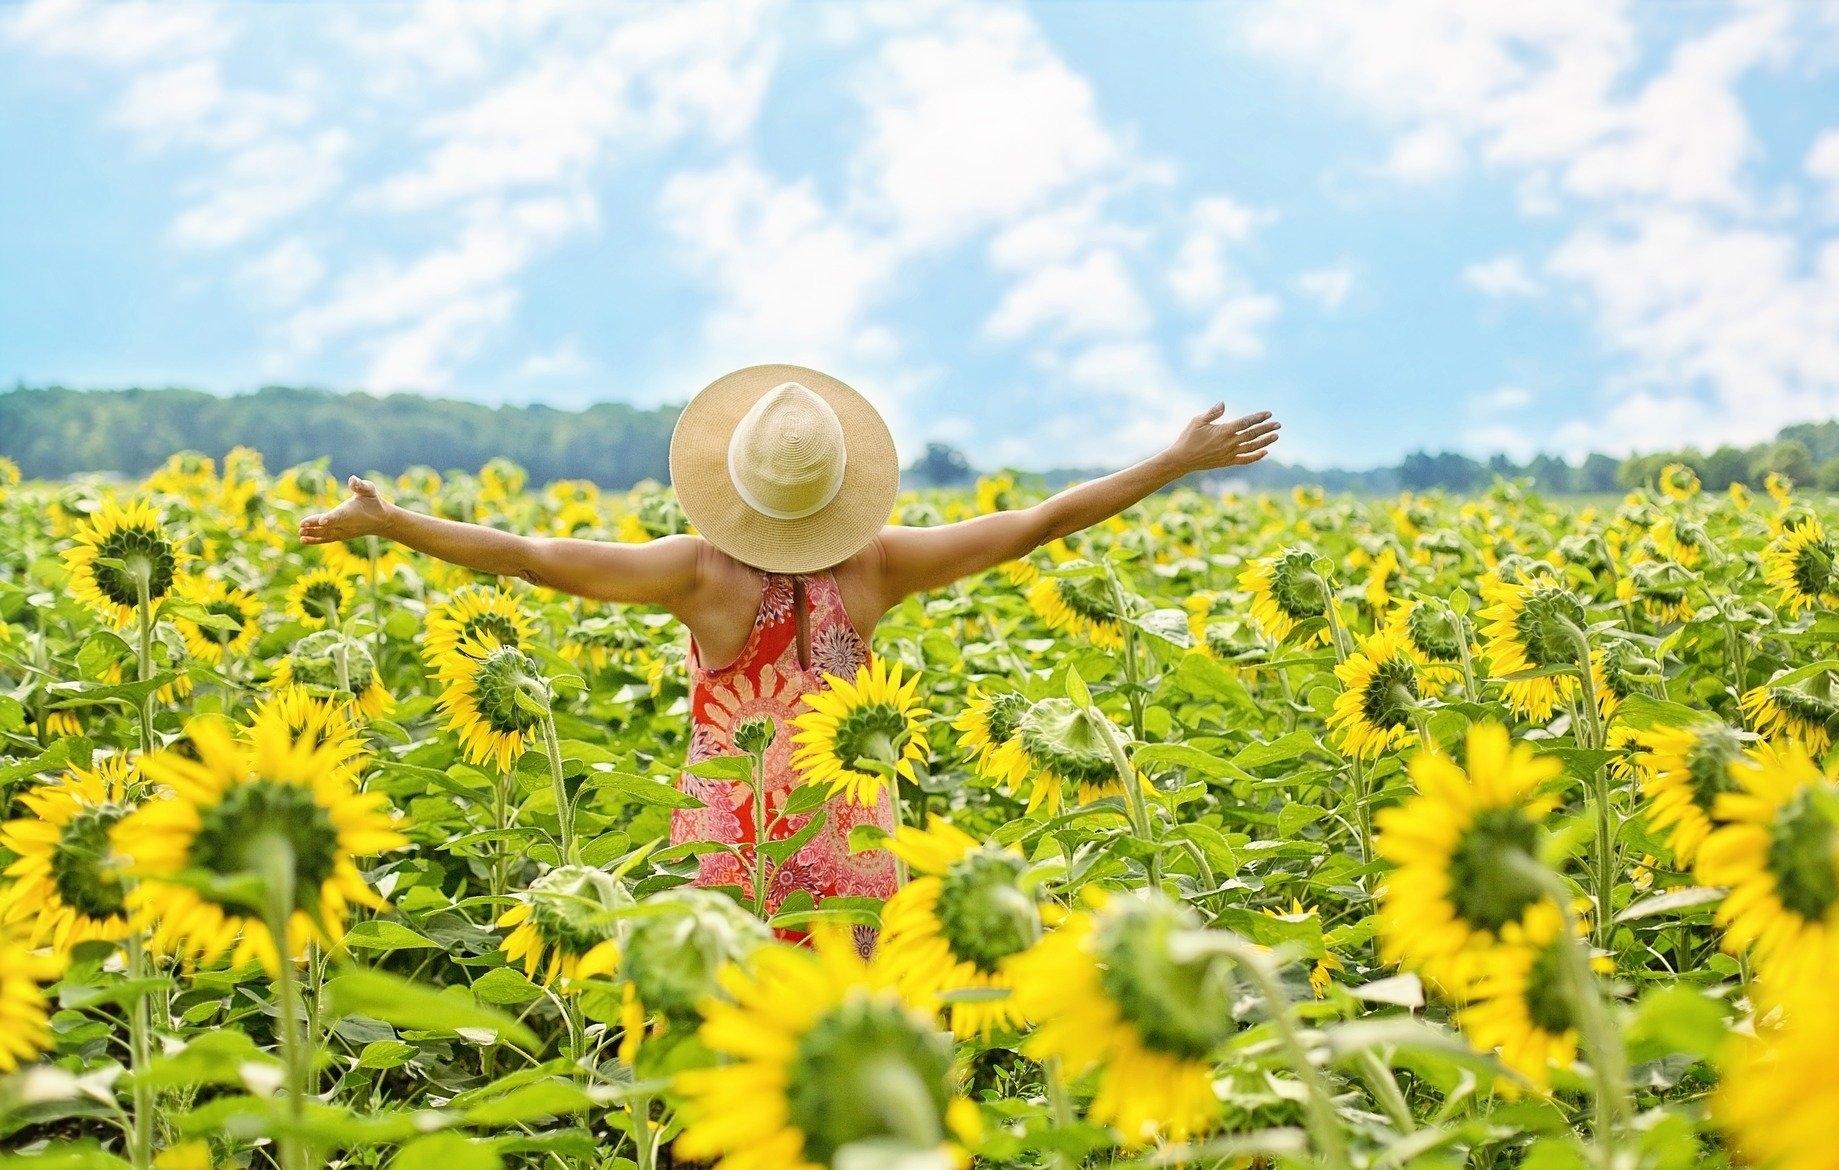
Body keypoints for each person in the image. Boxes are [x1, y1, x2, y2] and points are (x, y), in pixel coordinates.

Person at [299, 363, 1279, 918]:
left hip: (742, 847)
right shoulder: (879, 567)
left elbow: (528, 555)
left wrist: (396, 522)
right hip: (854, 842)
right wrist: (1173, 461)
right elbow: (1039, 522)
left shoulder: (701, 574)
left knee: (736, 1056)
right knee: (839, 1062)